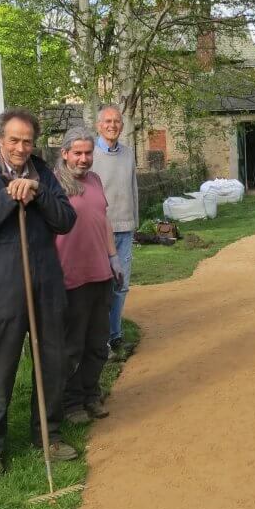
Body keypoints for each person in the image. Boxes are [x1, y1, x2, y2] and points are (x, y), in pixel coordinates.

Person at [0, 109, 77, 479]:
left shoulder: (44, 173)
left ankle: (48, 436)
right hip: (3, 288)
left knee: (53, 364)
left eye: (27, 141)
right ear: (0, 140)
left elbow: (65, 221)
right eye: (14, 140)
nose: (21, 147)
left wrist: (38, 194)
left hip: (47, 284)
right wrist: (7, 198)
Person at [53, 127, 125, 425]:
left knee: (97, 343)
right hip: (70, 278)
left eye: (88, 153)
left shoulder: (94, 180)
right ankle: (71, 405)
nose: (84, 159)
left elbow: (103, 221)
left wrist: (113, 258)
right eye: (78, 153)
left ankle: (91, 395)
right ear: (65, 154)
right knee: (73, 347)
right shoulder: (53, 184)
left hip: (100, 274)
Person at [92, 104, 139, 360]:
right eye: (107, 121)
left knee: (121, 287)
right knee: (101, 288)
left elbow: (133, 188)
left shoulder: (129, 153)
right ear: (99, 125)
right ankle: (100, 343)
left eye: (117, 121)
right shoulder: (91, 156)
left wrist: (135, 221)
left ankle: (115, 336)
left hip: (124, 229)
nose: (112, 125)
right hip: (100, 233)